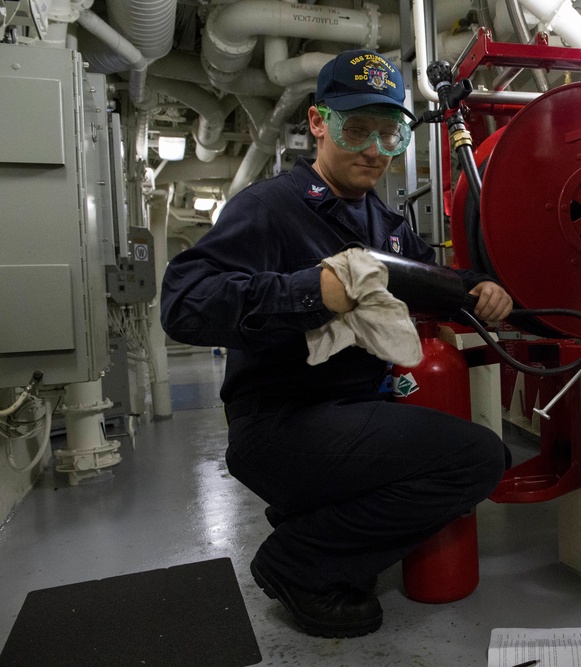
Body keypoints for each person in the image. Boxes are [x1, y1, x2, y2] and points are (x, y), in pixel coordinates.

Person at [160, 48, 513, 639]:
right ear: (319, 123)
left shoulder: (385, 225)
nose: (374, 150)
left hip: (355, 412)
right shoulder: (270, 208)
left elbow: (430, 280)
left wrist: (478, 285)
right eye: (356, 130)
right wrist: (311, 291)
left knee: (461, 451)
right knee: (478, 459)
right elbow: (184, 304)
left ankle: (313, 518)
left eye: (389, 134)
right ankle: (298, 561)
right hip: (281, 423)